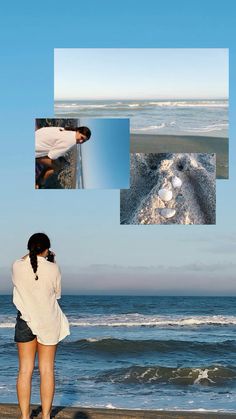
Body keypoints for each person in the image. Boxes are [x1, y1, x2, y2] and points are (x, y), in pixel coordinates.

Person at [12, 233, 70, 419]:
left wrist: (35, 256)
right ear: (46, 249)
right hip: (48, 321)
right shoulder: (54, 269)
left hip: (25, 320)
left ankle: (25, 416)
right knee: (47, 370)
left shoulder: (17, 266)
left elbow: (24, 260)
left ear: (29, 249)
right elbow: (57, 294)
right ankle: (45, 416)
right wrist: (50, 260)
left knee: (24, 370)